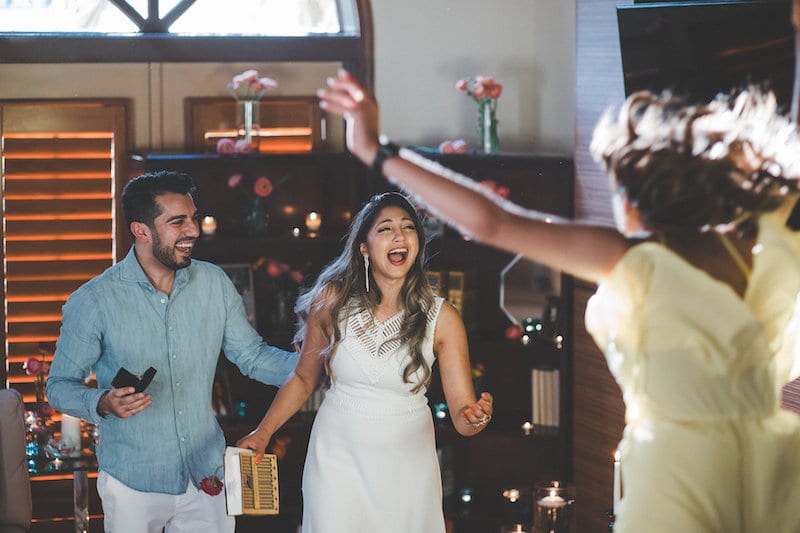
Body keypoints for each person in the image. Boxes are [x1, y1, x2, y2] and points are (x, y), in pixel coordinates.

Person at [318, 70, 800, 532]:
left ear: (634, 198)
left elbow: (494, 221)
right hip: (778, 469)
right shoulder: (773, 244)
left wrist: (373, 150)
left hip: (679, 479)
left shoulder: (637, 259)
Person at [46, 170, 298, 533]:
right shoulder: (94, 300)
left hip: (206, 476)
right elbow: (59, 386)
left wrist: (312, 366)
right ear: (141, 230)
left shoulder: (214, 283)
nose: (193, 230)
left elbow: (252, 356)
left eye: (193, 218)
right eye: (178, 222)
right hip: (132, 481)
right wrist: (103, 402)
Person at [236, 191, 494, 532]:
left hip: (408, 466)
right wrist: (263, 431)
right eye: (385, 229)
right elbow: (302, 379)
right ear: (364, 247)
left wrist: (475, 418)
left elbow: (463, 416)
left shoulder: (442, 317)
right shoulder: (330, 302)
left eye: (408, 227)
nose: (399, 236)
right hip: (337, 460)